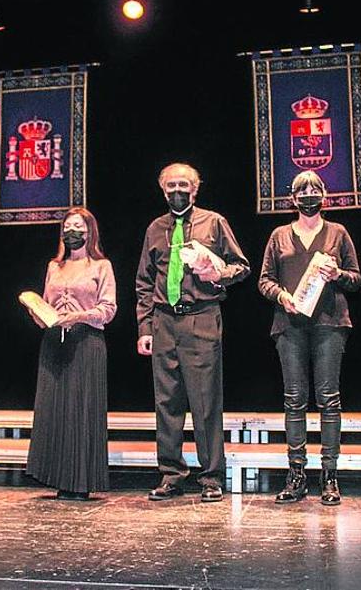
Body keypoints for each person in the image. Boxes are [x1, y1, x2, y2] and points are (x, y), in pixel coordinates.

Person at [136, 162, 250, 502]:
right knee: (166, 401)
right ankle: (171, 475)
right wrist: (145, 326)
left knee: (205, 401)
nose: (177, 191)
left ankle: (211, 476)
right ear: (162, 189)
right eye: (170, 185)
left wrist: (216, 274)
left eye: (183, 185)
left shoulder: (214, 222)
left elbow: (241, 266)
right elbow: (144, 282)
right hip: (164, 321)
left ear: (195, 189)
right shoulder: (155, 228)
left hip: (201, 317)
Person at [258, 171, 361, 505]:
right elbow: (264, 280)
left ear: (324, 195)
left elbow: (357, 279)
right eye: (302, 190)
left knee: (329, 398)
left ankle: (329, 476)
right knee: (294, 400)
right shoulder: (279, 235)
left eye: (314, 189)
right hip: (290, 325)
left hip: (329, 324)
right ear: (292, 198)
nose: (308, 194)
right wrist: (280, 296)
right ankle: (296, 474)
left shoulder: (338, 233)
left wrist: (339, 274)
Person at [26, 207, 117, 500]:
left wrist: (78, 317)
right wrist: (38, 314)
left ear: (89, 232)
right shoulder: (55, 266)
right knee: (54, 409)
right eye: (68, 226)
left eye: (78, 226)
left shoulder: (101, 266)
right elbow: (48, 304)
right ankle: (56, 476)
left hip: (86, 341)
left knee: (81, 410)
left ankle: (80, 481)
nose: (72, 231)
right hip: (54, 341)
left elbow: (108, 309)